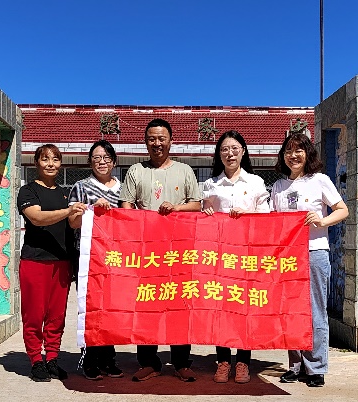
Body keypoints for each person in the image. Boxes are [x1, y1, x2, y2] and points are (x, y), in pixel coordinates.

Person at [120, 118, 203, 382]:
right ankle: (148, 362)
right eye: (152, 139)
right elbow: (126, 206)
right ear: (146, 143)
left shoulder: (185, 171)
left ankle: (181, 361)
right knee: (147, 306)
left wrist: (177, 208)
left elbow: (197, 205)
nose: (157, 143)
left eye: (161, 138)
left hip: (179, 252)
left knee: (180, 306)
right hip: (148, 254)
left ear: (170, 141)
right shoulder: (136, 171)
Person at [270, 132, 349, 388]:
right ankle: (295, 365)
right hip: (287, 257)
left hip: (314, 252)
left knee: (315, 311)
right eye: (288, 151)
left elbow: (343, 210)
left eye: (299, 150)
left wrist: (322, 221)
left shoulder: (320, 180)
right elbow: (272, 222)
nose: (293, 156)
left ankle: (316, 367)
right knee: (290, 311)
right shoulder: (279, 187)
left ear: (307, 154)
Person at [200, 130, 270, 384]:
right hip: (219, 257)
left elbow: (267, 215)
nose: (230, 154)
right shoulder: (211, 184)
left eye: (234, 148)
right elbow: (204, 218)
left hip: (246, 256)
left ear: (243, 151)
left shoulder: (255, 182)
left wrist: (248, 215)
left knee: (243, 308)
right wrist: (207, 213)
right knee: (220, 308)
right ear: (219, 154)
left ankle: (243, 361)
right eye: (224, 149)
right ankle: (222, 360)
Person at [17, 144, 87, 382]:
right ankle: (36, 360)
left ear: (60, 164)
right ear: (36, 162)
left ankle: (53, 358)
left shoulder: (65, 194)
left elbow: (73, 224)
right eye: (45, 159)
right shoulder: (28, 191)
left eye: (55, 159)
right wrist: (68, 211)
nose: (50, 164)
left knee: (57, 315)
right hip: (35, 261)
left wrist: (87, 211)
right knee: (34, 315)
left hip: (62, 262)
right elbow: (37, 218)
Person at [68, 140, 125, 380]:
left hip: (115, 258)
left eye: (106, 158)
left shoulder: (123, 189)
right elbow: (73, 222)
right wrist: (93, 210)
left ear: (114, 161)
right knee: (91, 306)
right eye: (96, 158)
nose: (102, 162)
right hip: (88, 258)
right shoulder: (80, 187)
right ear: (90, 162)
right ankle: (90, 359)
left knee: (111, 308)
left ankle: (108, 359)